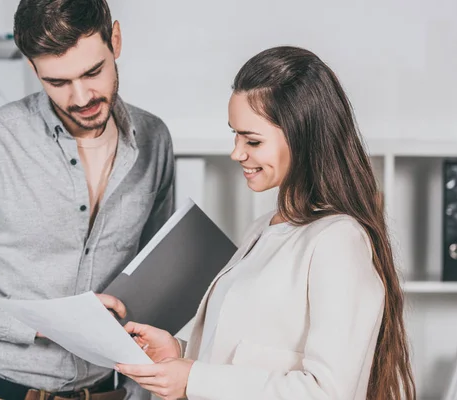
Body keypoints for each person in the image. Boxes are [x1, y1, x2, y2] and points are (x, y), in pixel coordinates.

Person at [0, 0, 173, 399]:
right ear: (32, 67)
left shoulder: (154, 139)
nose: (80, 97)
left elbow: (154, 279)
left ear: (116, 40)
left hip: (109, 392)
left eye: (93, 72)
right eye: (57, 82)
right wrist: (42, 320)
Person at [115, 46, 417, 400]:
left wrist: (193, 378)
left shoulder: (339, 241)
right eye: (235, 134)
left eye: (252, 140)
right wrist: (180, 354)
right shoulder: (262, 228)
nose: (236, 152)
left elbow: (328, 392)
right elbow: (246, 352)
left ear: (302, 137)